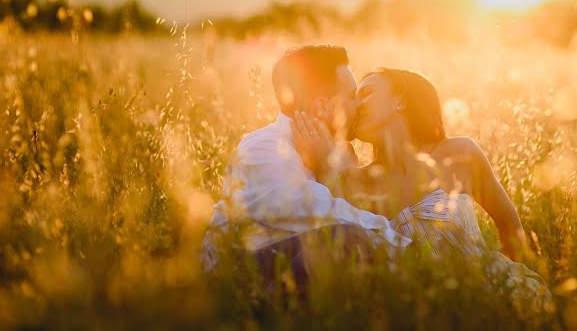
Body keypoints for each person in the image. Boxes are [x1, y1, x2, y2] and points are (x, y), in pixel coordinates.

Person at [292, 67, 551, 310]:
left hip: (501, 293)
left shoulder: (459, 153)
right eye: (354, 97)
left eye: (367, 93)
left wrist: (508, 285)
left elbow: (509, 225)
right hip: (431, 313)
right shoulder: (355, 182)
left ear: (400, 101)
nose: (356, 105)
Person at [200, 46, 410, 286]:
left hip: (285, 268)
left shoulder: (332, 153)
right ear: (321, 106)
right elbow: (315, 212)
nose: (358, 105)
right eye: (351, 97)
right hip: (232, 278)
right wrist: (401, 243)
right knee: (347, 239)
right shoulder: (263, 147)